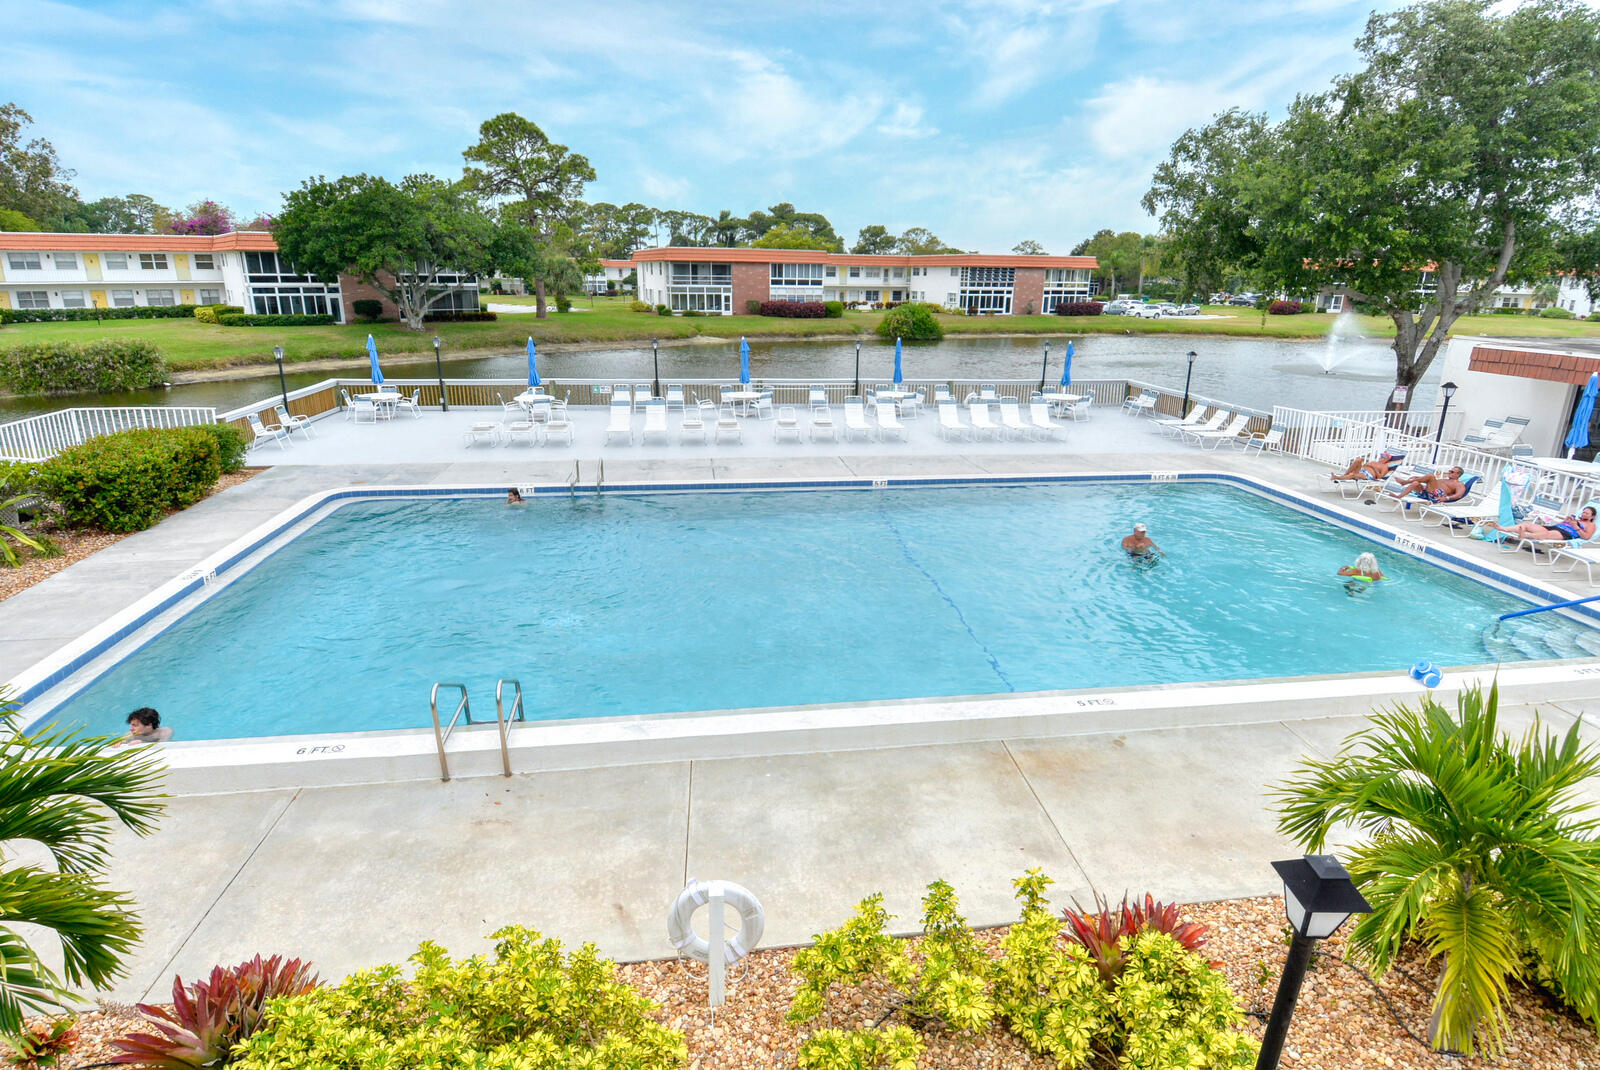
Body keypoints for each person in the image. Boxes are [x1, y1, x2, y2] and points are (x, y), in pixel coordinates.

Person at [1482, 505, 1598, 543]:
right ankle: (1505, 529)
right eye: (1583, 511)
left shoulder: (1591, 525)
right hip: (1557, 527)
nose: (1584, 514)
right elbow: (1561, 524)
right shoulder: (1575, 519)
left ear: (1592, 516)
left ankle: (1525, 536)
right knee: (1527, 525)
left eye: (1587, 513)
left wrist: (1575, 526)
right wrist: (1565, 521)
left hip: (1567, 533)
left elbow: (1586, 537)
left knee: (1546, 533)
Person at [1394, 466, 1467, 503]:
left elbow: (1459, 495)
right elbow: (1430, 483)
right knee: (1415, 482)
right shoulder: (1444, 480)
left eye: (1452, 471)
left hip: (1437, 496)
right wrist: (1418, 478)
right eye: (1450, 471)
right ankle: (1399, 497)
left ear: (1458, 474)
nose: (1449, 472)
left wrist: (1446, 498)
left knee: (1431, 476)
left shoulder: (1459, 484)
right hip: (1427, 492)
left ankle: (1404, 482)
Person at [1331, 454, 1400, 482]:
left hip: (1367, 475)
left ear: (1387, 459)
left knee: (1352, 475)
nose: (1380, 457)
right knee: (1359, 460)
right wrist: (1365, 465)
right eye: (1381, 456)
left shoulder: (1384, 467)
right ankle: (1345, 475)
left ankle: (1337, 477)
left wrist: (1374, 468)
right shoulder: (1374, 462)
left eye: (1383, 457)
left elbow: (1379, 477)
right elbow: (1364, 465)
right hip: (1362, 470)